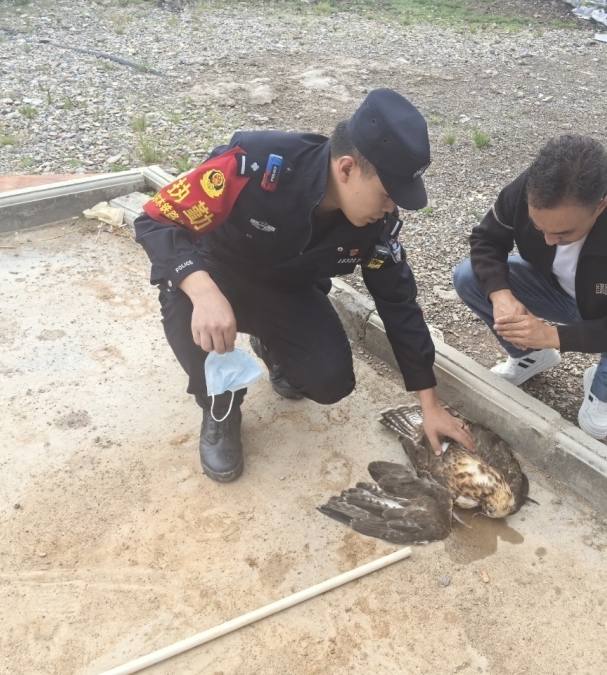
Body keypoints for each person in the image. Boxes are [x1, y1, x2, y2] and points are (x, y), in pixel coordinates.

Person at [134, 89, 473, 482]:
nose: (390, 208)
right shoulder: (256, 163)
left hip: (286, 290)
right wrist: (202, 289)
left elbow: (399, 304)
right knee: (183, 300)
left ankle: (269, 345)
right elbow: (156, 219)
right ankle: (219, 405)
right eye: (386, 195)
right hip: (217, 270)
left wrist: (430, 405)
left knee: (330, 380)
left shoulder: (377, 226)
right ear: (347, 169)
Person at [452, 135, 607, 440]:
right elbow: (486, 240)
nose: (548, 241)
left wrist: (553, 336)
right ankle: (531, 355)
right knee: (469, 276)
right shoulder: (529, 188)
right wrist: (501, 294)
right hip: (553, 291)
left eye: (563, 234)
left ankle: (602, 388)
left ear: (601, 206)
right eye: (538, 227)